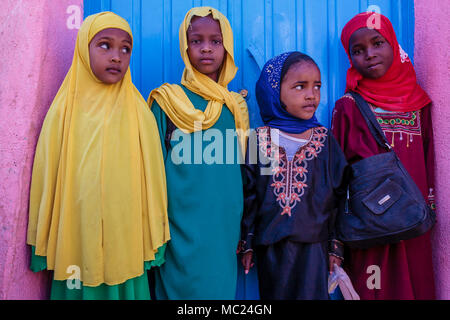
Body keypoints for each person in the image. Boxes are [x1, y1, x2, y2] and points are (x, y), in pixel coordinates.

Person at [26, 12, 170, 300]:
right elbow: (47, 179)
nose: (116, 56)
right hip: (77, 233)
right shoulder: (64, 111)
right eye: (104, 45)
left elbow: (153, 181)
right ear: (82, 49)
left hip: (126, 231)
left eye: (125, 48)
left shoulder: (139, 113)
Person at [331, 12, 436, 299]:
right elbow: (338, 175)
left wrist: (429, 210)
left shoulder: (419, 103)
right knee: (375, 288)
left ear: (392, 43)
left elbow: (428, 161)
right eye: (358, 50)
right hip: (371, 229)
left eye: (378, 43)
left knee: (417, 285)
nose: (370, 54)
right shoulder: (349, 107)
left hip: (413, 222)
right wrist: (337, 238)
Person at [147, 7, 249, 299]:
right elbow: (151, 169)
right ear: (185, 45)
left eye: (216, 41)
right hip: (176, 226)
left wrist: (244, 227)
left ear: (226, 47)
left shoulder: (235, 107)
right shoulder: (167, 101)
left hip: (223, 227)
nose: (206, 48)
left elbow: (241, 170)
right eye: (197, 41)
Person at [239, 51, 347, 300]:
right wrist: (248, 241)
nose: (312, 95)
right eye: (300, 87)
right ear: (275, 92)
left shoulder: (325, 140)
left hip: (314, 247)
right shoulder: (260, 139)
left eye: (317, 86)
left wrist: (336, 246)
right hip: (271, 247)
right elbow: (250, 193)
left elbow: (339, 194)